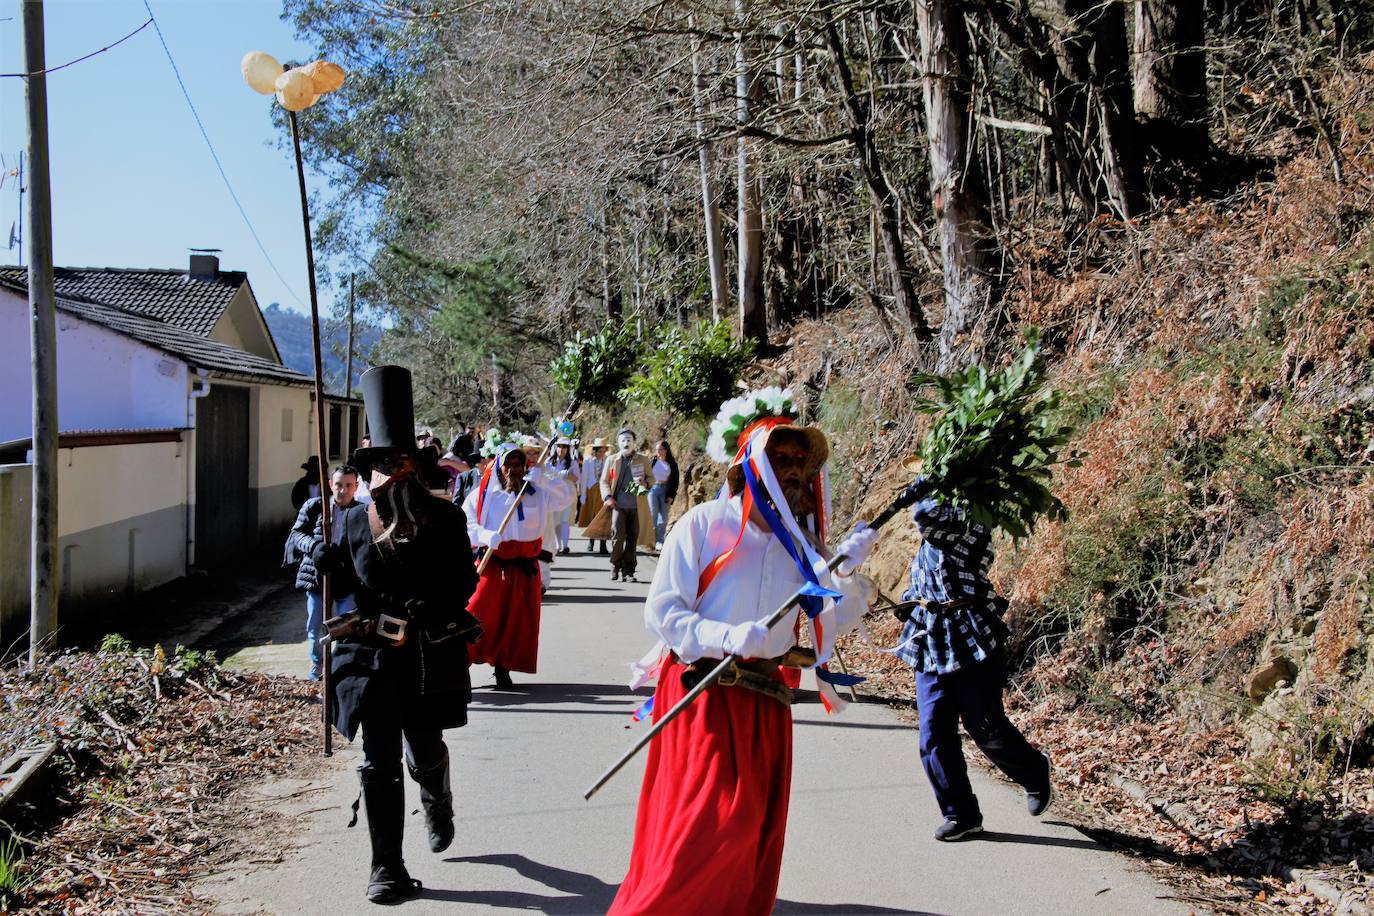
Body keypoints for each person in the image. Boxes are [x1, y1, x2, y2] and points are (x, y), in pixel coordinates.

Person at [608, 389, 879, 916]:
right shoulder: (703, 525)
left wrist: (847, 577)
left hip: (766, 703)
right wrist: (727, 637)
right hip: (702, 696)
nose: (795, 469)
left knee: (751, 830)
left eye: (801, 460)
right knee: (704, 834)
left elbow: (824, 625)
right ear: (752, 463)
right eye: (782, 458)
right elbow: (662, 614)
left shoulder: (803, 545)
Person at [316, 365, 482, 904]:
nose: (391, 473)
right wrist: (318, 558)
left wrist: (432, 603)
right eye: (382, 465)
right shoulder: (349, 521)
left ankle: (436, 793)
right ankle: (386, 867)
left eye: (400, 462)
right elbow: (338, 577)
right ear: (372, 472)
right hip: (371, 658)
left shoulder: (448, 520)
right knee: (377, 760)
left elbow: (465, 581)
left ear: (415, 467)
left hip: (429, 654)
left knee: (424, 746)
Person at [893, 476, 1053, 841]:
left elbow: (929, 517)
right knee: (933, 733)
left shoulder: (969, 518)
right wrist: (908, 599)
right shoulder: (929, 540)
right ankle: (960, 813)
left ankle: (1033, 772)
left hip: (968, 632)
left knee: (986, 726)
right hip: (931, 638)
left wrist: (922, 489)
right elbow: (925, 577)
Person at [463, 441, 575, 688]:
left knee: (515, 621)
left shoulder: (539, 491)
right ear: (499, 467)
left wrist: (545, 479)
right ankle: (462, 665)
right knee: (477, 613)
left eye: (518, 464)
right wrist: (483, 535)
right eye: (508, 464)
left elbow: (567, 497)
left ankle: (503, 668)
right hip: (493, 564)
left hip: (524, 567)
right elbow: (466, 524)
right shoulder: (484, 495)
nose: (513, 469)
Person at [283, 463, 363, 680]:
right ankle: (317, 666)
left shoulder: (361, 513)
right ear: (330, 484)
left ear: (356, 487)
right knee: (315, 626)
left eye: (348, 485)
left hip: (346, 580)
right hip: (317, 577)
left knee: (347, 625)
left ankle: (341, 666)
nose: (343, 490)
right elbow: (296, 534)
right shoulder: (314, 507)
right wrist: (314, 548)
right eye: (338, 484)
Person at [599, 429, 648, 583]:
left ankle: (629, 571)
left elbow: (651, 478)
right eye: (623, 440)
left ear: (634, 442)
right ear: (618, 443)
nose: (626, 443)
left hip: (637, 504)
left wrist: (646, 483)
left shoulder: (643, 460)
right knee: (617, 537)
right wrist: (607, 496)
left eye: (629, 440)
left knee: (633, 539)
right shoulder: (612, 460)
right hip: (618, 505)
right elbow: (604, 481)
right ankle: (615, 565)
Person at [545, 438, 580, 555]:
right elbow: (544, 476)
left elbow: (577, 478)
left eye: (564, 447)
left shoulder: (572, 462)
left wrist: (567, 475)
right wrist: (554, 476)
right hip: (553, 495)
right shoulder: (549, 461)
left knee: (564, 521)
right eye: (560, 446)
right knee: (554, 521)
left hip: (567, 495)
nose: (562, 449)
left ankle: (565, 545)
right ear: (556, 447)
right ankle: (557, 545)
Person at [647, 439, 679, 550]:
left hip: (666, 491)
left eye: (660, 449)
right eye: (656, 449)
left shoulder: (672, 464)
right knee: (652, 515)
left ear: (666, 450)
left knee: (663, 517)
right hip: (653, 490)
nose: (658, 452)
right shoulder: (653, 461)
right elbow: (646, 474)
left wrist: (672, 496)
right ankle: (651, 540)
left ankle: (660, 541)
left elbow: (675, 481)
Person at [579, 438, 609, 554]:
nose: (601, 454)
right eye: (599, 451)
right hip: (591, 490)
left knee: (603, 517)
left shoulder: (607, 461)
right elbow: (584, 478)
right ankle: (591, 542)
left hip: (603, 492)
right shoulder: (588, 461)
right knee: (592, 517)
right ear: (595, 451)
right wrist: (583, 495)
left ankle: (603, 545)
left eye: (603, 451)